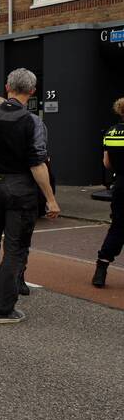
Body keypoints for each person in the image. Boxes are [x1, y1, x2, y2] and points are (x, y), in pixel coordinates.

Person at [0, 68, 59, 324]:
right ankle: (3, 310)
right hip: (20, 191)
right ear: (32, 91)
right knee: (15, 249)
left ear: (7, 87)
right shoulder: (33, 122)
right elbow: (38, 164)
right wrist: (50, 199)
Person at [92, 97, 124, 287]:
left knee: (118, 226)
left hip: (120, 184)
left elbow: (106, 163)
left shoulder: (112, 132)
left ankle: (101, 269)